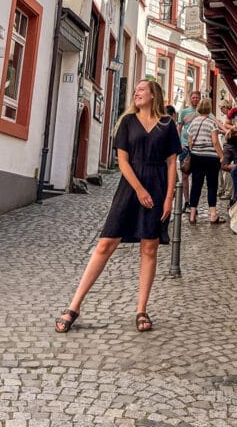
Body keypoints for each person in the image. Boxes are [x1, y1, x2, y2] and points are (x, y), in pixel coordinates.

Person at [55, 79, 180, 334]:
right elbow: (122, 161)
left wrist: (169, 197)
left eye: (141, 90)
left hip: (157, 188)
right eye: (135, 90)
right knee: (105, 244)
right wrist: (139, 189)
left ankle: (141, 309)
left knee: (149, 247)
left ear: (154, 94)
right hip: (130, 188)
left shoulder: (168, 125)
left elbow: (171, 164)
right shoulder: (127, 122)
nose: (136, 93)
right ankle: (74, 305)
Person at [186, 97, 225, 225]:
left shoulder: (193, 123)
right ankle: (213, 215)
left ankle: (192, 215)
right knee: (212, 185)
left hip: (197, 157)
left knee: (196, 185)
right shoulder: (211, 123)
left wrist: (195, 151)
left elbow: (190, 141)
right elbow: (215, 142)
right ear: (209, 109)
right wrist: (222, 156)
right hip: (211, 158)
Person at [178, 89, 201, 211]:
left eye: (197, 97)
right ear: (190, 98)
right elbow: (179, 128)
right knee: (185, 176)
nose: (195, 99)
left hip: (198, 149)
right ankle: (186, 202)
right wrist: (179, 143)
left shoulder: (202, 112)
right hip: (185, 148)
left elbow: (214, 122)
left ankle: (193, 203)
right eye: (193, 97)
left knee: (197, 177)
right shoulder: (184, 112)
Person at [223, 106, 237, 203]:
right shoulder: (234, 110)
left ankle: (234, 197)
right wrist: (233, 128)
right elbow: (226, 124)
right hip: (229, 143)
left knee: (236, 174)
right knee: (223, 165)